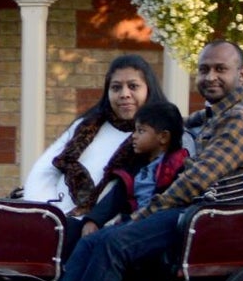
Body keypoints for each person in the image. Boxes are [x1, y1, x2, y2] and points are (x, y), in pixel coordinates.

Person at [42, 41, 243, 281]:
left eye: (221, 69)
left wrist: (145, 213)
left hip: (213, 220)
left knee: (114, 243)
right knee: (91, 237)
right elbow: (181, 125)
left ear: (242, 74)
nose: (210, 77)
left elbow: (197, 180)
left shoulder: (242, 119)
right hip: (195, 214)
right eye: (204, 69)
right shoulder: (217, 114)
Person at [19, 53, 163, 213]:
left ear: (149, 88)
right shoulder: (86, 125)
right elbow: (45, 169)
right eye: (116, 87)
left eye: (133, 86)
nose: (124, 94)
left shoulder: (157, 137)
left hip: (102, 227)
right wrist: (45, 213)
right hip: (52, 216)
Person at [78, 99, 187, 236]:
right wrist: (93, 220)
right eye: (134, 130)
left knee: (100, 242)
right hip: (130, 224)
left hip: (154, 229)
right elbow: (115, 198)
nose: (133, 136)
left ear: (163, 137)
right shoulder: (136, 167)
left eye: (140, 131)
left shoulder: (178, 166)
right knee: (73, 230)